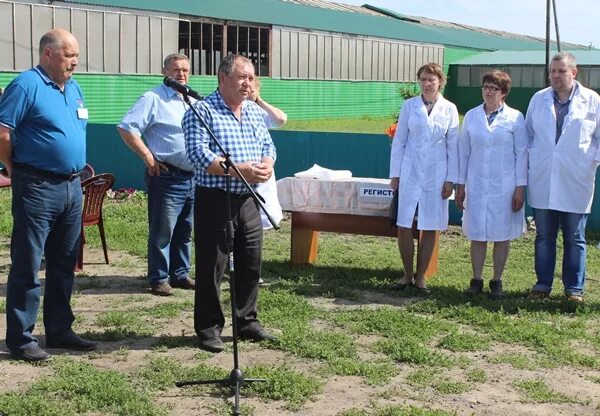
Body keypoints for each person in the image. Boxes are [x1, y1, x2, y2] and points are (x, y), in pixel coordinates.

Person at [0, 29, 97, 362]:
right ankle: (21, 338)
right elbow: (2, 131)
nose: (76, 61)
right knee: (28, 262)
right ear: (47, 54)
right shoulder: (26, 84)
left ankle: (59, 329)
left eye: (77, 55)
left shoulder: (73, 88)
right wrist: (13, 168)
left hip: (72, 187)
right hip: (37, 185)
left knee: (63, 262)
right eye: (69, 54)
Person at [182, 54, 277, 353]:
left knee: (250, 262)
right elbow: (198, 154)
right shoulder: (201, 112)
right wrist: (239, 169)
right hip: (215, 199)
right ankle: (209, 328)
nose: (248, 83)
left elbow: (268, 144)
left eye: (251, 77)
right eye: (242, 77)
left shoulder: (251, 111)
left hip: (248, 197)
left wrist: (267, 162)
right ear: (222, 78)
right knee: (213, 265)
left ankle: (246, 321)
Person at [117, 53, 196, 296]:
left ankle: (180, 274)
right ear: (165, 72)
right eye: (175, 70)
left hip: (193, 177)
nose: (181, 74)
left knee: (185, 230)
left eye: (185, 70)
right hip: (167, 177)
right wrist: (147, 156)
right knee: (163, 231)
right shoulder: (153, 98)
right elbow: (127, 127)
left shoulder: (191, 100)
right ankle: (159, 277)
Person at [525, 52, 600, 303]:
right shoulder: (539, 99)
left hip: (576, 177)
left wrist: (588, 160)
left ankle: (574, 289)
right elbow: (528, 135)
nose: (555, 76)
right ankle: (542, 284)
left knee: (575, 237)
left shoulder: (592, 100)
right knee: (544, 236)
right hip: (544, 176)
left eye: (561, 71)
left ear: (574, 72)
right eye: (552, 71)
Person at [455, 70, 527, 299]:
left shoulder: (515, 118)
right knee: (477, 232)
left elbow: (522, 154)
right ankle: (476, 279)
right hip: (476, 183)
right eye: (485, 87)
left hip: (504, 186)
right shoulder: (472, 117)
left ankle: (497, 280)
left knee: (501, 234)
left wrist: (520, 188)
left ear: (503, 93)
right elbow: (463, 152)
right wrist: (461, 185)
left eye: (493, 88)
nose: (487, 91)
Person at [389, 62, 459, 293]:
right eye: (423, 79)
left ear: (440, 82)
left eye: (432, 79)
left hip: (436, 175)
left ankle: (421, 278)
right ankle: (407, 275)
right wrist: (395, 175)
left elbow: (453, 146)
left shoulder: (449, 109)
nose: (427, 84)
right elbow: (399, 142)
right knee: (404, 224)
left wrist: (450, 179)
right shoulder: (409, 106)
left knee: (430, 226)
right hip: (410, 172)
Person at [248, 77, 287, 230]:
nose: (248, 91)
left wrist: (259, 100)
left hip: (262, 167)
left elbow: (280, 119)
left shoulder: (258, 111)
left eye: (252, 88)